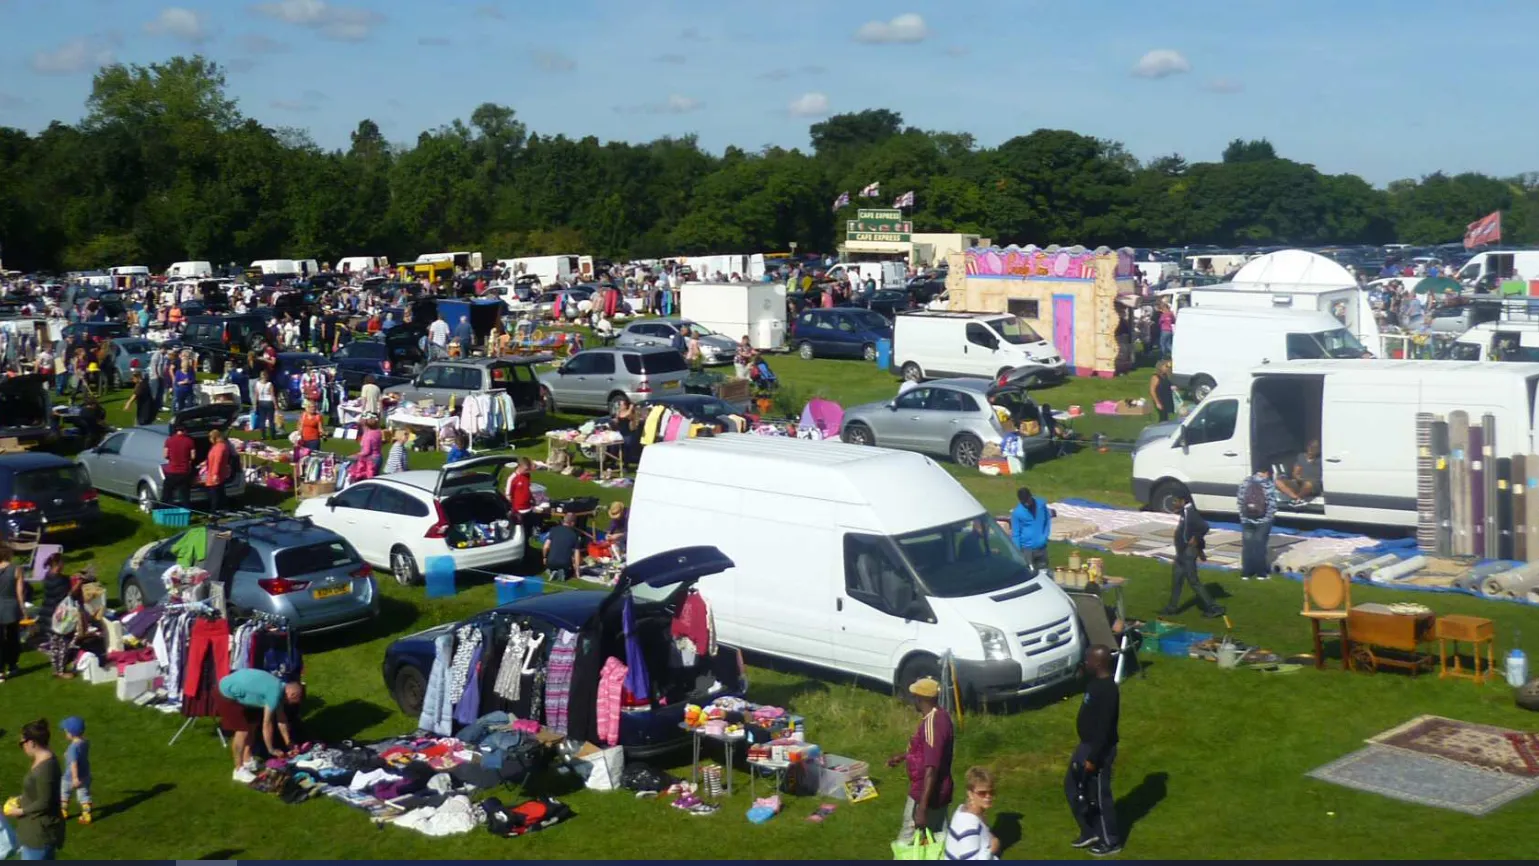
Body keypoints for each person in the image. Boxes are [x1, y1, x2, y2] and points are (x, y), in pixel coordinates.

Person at [1066, 645, 1122, 856]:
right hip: (1085, 745)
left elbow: (1105, 728)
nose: (1085, 662)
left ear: (1098, 662)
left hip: (1099, 749)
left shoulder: (1108, 690)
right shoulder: (1093, 683)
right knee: (1073, 786)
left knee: (1099, 795)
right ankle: (1089, 830)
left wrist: (1093, 757)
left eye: (1088, 659)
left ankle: (1110, 840)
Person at [886, 676, 954, 847]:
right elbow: (926, 752)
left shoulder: (933, 724)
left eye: (915, 696)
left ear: (921, 698)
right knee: (939, 834)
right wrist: (903, 757)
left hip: (926, 790)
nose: (913, 700)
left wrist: (922, 808)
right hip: (940, 788)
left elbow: (932, 767)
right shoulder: (941, 716)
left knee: (907, 838)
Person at [217, 669, 305, 782]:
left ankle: (247, 760)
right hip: (225, 693)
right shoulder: (275, 692)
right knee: (242, 730)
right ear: (292, 694)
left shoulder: (280, 687)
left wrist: (289, 743)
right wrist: (271, 749)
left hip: (241, 692)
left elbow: (281, 719)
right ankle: (238, 770)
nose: (289, 704)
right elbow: (267, 724)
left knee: (253, 724)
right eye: (292, 702)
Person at [5, 718, 64, 860]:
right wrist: (21, 798)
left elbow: (45, 801)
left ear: (31, 743)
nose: (22, 747)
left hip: (39, 835)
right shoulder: (44, 761)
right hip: (35, 831)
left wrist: (20, 811)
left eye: (22, 743)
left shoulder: (46, 768)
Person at [1159, 491, 1225, 618]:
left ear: (1183, 501)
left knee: (1194, 581)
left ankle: (1214, 608)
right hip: (1181, 553)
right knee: (1177, 579)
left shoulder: (1190, 513)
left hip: (1188, 553)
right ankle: (1172, 608)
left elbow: (1204, 527)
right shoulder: (1184, 512)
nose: (1173, 503)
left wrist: (1196, 538)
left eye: (1175, 501)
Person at [944, 766, 1000, 860]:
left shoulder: (965, 810)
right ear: (970, 793)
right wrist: (992, 849)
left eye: (991, 792)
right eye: (982, 793)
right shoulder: (969, 824)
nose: (988, 796)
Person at [36, 555, 75, 679]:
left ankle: (56, 669)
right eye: (62, 562)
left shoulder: (47, 577)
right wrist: (78, 583)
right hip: (59, 615)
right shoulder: (61, 580)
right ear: (58, 564)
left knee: (54, 644)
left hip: (47, 612)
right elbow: (68, 595)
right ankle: (61, 671)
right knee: (63, 643)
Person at [1237, 467, 1278, 580]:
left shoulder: (1245, 482)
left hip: (1246, 519)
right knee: (1260, 545)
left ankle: (1246, 572)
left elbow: (1240, 501)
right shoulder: (1268, 484)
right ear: (1267, 473)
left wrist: (1243, 517)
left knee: (1248, 546)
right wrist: (1269, 518)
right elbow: (1272, 504)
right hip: (1263, 520)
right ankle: (1261, 573)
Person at [57, 717, 91, 825]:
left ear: (71, 733)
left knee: (64, 793)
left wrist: (75, 778)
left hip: (70, 777)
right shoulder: (85, 742)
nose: (65, 733)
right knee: (84, 796)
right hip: (85, 775)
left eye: (66, 731)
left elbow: (74, 764)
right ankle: (86, 815)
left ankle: (63, 812)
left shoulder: (73, 748)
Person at [1010, 487, 1052, 573]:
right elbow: (1016, 534)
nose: (1026, 504)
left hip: (1042, 547)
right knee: (1029, 573)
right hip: (1027, 549)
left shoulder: (1041, 505)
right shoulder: (1017, 513)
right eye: (1023, 502)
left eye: (1027, 501)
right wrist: (1017, 552)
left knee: (1044, 573)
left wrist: (1045, 535)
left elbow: (1047, 519)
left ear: (1031, 496)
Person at [162, 423, 196, 508]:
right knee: (185, 495)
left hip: (172, 471)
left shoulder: (169, 440)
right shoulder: (189, 441)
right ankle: (186, 511)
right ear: (184, 431)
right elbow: (193, 456)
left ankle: (165, 510)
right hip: (184, 472)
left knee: (167, 494)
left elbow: (165, 455)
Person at [0, 543, 20, 682]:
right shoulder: (16, 569)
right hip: (12, 606)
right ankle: (12, 665)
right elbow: (20, 593)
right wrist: (24, 611)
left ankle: (0, 671)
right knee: (13, 638)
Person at [543, 513, 582, 582]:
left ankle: (552, 571)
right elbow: (577, 555)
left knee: (551, 566)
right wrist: (577, 571)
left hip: (551, 562)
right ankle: (562, 573)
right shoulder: (575, 535)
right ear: (572, 523)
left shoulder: (554, 530)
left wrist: (545, 557)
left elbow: (546, 547)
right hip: (565, 563)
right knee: (569, 571)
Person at [204, 429, 235, 515]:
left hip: (216, 473)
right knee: (220, 492)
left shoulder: (219, 447)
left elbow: (218, 461)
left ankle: (213, 511)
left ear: (214, 437)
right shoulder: (218, 446)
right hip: (216, 472)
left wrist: (215, 474)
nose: (209, 439)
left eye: (210, 437)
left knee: (214, 494)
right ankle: (224, 508)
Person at [506, 457, 535, 538]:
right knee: (520, 533)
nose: (527, 471)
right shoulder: (512, 478)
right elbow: (508, 495)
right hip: (518, 510)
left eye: (528, 469)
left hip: (528, 508)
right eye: (525, 469)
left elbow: (527, 489)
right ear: (519, 466)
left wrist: (532, 499)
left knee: (528, 532)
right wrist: (514, 510)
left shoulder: (527, 475)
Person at [352, 415, 382, 481]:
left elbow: (366, 451)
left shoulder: (368, 436)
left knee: (367, 480)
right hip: (378, 458)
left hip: (371, 461)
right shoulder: (378, 432)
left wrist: (355, 455)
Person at [252, 370, 278, 440]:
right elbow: (272, 395)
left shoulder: (257, 383)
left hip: (261, 402)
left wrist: (255, 404)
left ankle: (263, 435)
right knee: (271, 420)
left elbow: (256, 395)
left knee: (262, 420)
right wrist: (275, 405)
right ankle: (273, 435)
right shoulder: (269, 384)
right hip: (269, 402)